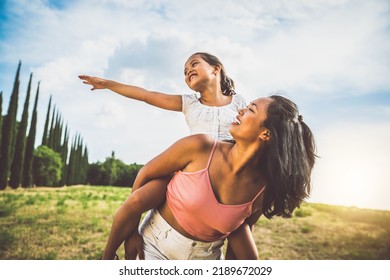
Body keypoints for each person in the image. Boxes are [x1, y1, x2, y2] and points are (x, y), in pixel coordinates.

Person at [101, 94, 317, 260]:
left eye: (251, 109)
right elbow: (145, 176)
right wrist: (131, 234)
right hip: (154, 247)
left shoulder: (262, 189)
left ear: (266, 134)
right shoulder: (200, 147)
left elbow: (241, 231)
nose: (241, 110)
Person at [79, 52, 247, 258]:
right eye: (185, 72)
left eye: (194, 64)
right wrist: (107, 83)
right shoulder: (189, 103)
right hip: (190, 170)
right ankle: (108, 256)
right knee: (137, 199)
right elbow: (145, 95)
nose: (188, 72)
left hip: (225, 176)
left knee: (240, 222)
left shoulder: (239, 103)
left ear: (216, 68)